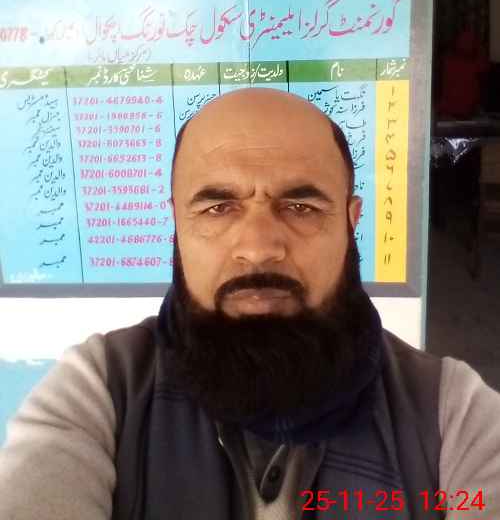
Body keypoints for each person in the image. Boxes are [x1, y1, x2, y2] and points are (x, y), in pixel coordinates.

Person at [1, 88, 499, 520]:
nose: (259, 247)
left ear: (350, 222)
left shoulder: (450, 413)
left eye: (301, 206)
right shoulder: (101, 390)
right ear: (177, 225)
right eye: (218, 207)